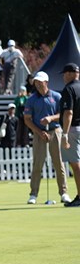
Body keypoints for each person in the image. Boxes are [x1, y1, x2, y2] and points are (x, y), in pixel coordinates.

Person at [23, 71, 71, 204]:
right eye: (36, 82)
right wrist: (39, 132)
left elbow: (62, 114)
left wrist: (50, 118)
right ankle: (33, 194)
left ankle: (64, 192)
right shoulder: (31, 99)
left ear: (46, 82)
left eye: (40, 82)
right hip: (39, 134)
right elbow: (27, 119)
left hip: (55, 131)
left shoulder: (56, 96)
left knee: (59, 163)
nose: (37, 84)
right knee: (37, 164)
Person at [59, 63, 80, 207]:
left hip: (73, 129)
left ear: (71, 73)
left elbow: (68, 112)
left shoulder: (69, 89)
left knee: (76, 164)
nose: (64, 77)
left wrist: (65, 134)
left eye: (65, 73)